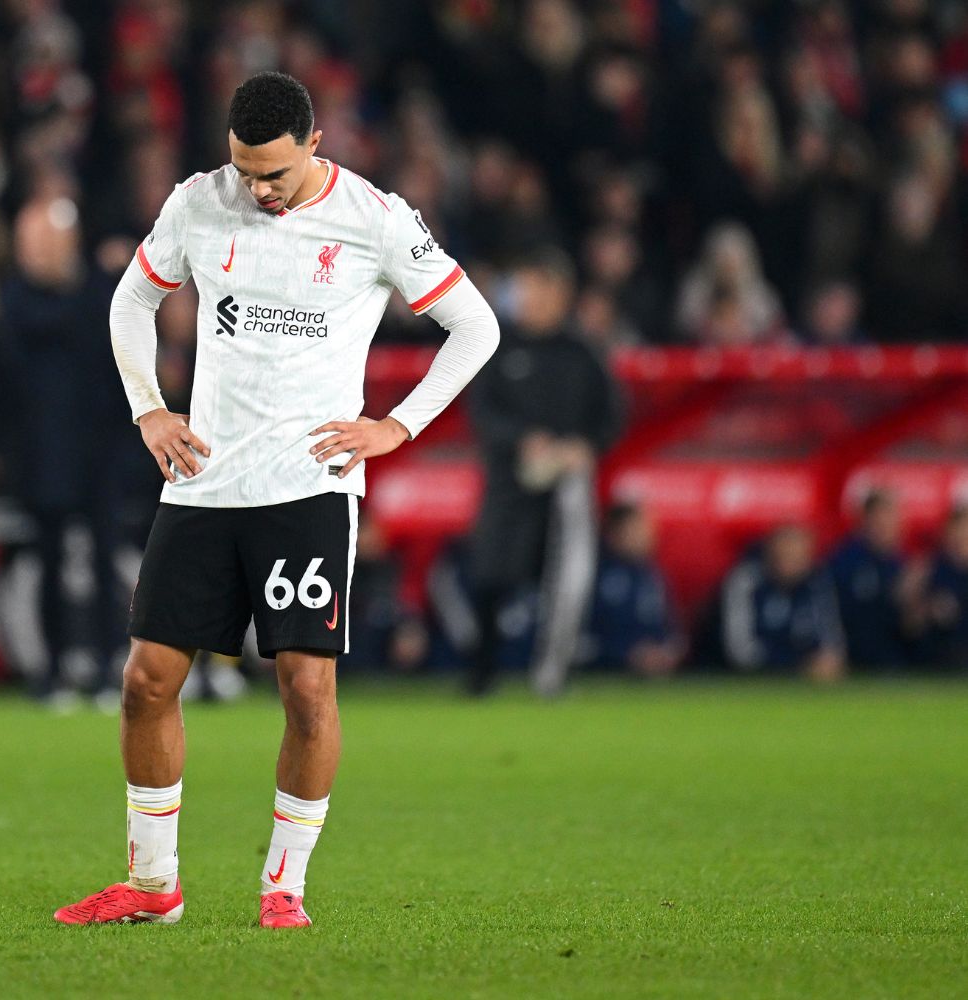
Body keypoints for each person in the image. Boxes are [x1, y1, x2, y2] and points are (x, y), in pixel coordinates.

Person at [55, 72, 499, 929]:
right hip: (203, 483)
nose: (258, 190)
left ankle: (282, 888)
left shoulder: (374, 219)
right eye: (245, 171)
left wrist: (396, 427)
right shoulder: (199, 202)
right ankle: (153, 888)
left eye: (276, 176)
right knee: (147, 682)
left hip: (306, 486)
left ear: (315, 145)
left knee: (305, 691)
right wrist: (149, 406)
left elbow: (475, 326)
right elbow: (132, 299)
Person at [467, 247, 621, 698]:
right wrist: (520, 439)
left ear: (561, 294)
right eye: (524, 289)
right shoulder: (497, 344)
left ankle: (552, 675)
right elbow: (481, 410)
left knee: (565, 581)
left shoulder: (583, 352)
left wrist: (584, 446)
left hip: (565, 486)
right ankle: (482, 673)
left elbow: (611, 414)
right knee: (490, 575)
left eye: (537, 289)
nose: (528, 298)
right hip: (508, 481)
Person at [0, 194, 127, 709]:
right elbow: (32, 336)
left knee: (103, 557)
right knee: (49, 559)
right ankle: (51, 668)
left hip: (99, 446)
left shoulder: (98, 292)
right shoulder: (19, 299)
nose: (38, 254)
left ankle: (104, 664)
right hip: (44, 451)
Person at [721, 524, 846, 682]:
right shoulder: (747, 581)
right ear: (771, 553)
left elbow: (831, 640)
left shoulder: (817, 582)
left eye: (798, 557)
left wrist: (827, 659)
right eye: (786, 555)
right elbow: (741, 653)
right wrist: (799, 665)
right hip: (745, 682)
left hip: (807, 681)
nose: (791, 563)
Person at [584, 502, 682, 676]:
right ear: (614, 534)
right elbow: (585, 636)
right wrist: (626, 654)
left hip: (656, 672)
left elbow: (670, 628)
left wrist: (667, 651)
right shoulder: (593, 576)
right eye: (637, 528)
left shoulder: (652, 575)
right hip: (604, 674)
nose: (646, 534)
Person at [827, 490, 912, 669]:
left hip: (900, 662)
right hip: (852, 661)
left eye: (889, 516)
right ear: (864, 521)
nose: (883, 524)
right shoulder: (844, 561)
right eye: (877, 518)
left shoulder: (907, 563)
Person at [923, 508, 968, 669]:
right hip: (940, 658)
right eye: (958, 531)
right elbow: (908, 624)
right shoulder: (932, 569)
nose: (962, 538)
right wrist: (930, 608)